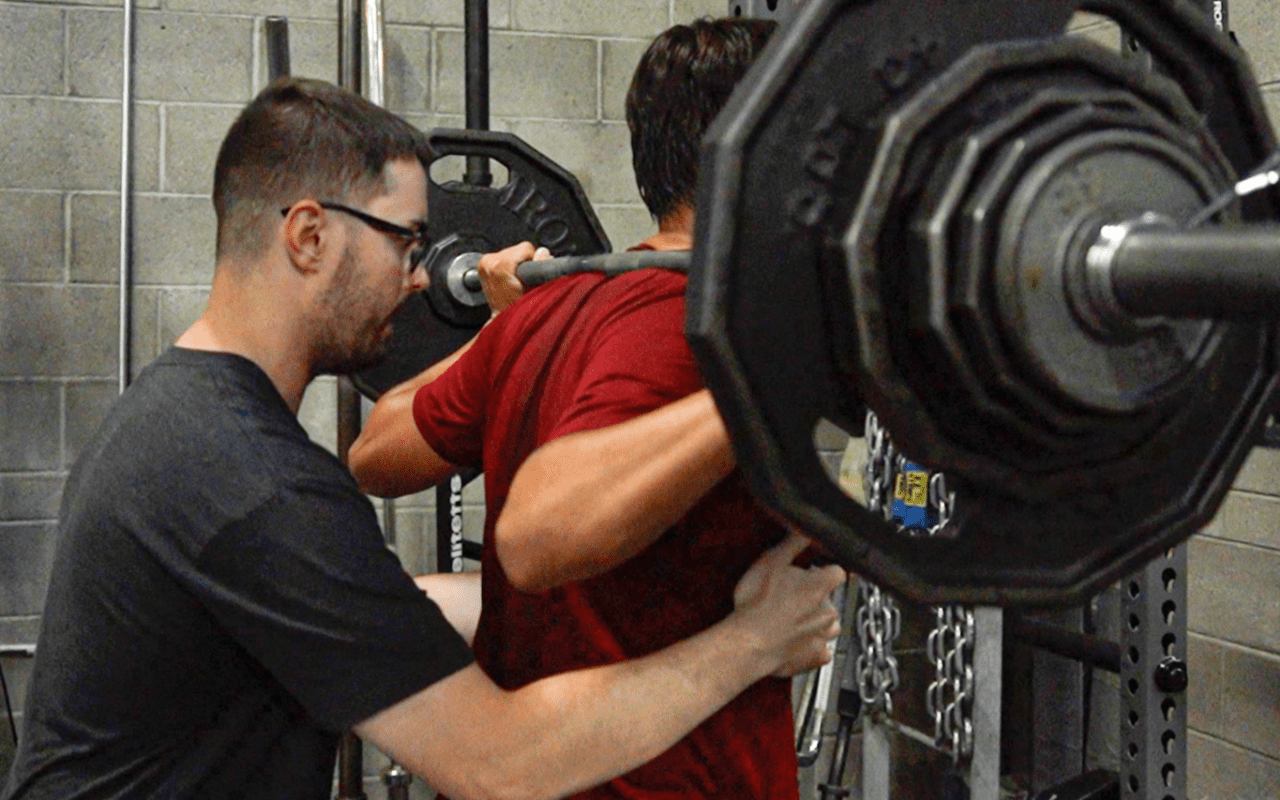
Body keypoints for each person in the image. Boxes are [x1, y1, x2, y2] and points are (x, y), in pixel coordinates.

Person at [1, 76, 843, 800]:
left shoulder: (183, 417)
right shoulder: (256, 482)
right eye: (405, 240)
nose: (417, 275)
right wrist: (748, 644)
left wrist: (648, 590)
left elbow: (382, 612)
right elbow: (501, 762)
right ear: (309, 236)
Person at [350, 19, 805, 800]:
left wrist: (501, 332)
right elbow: (538, 534)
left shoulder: (553, 310)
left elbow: (376, 449)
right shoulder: (691, 328)